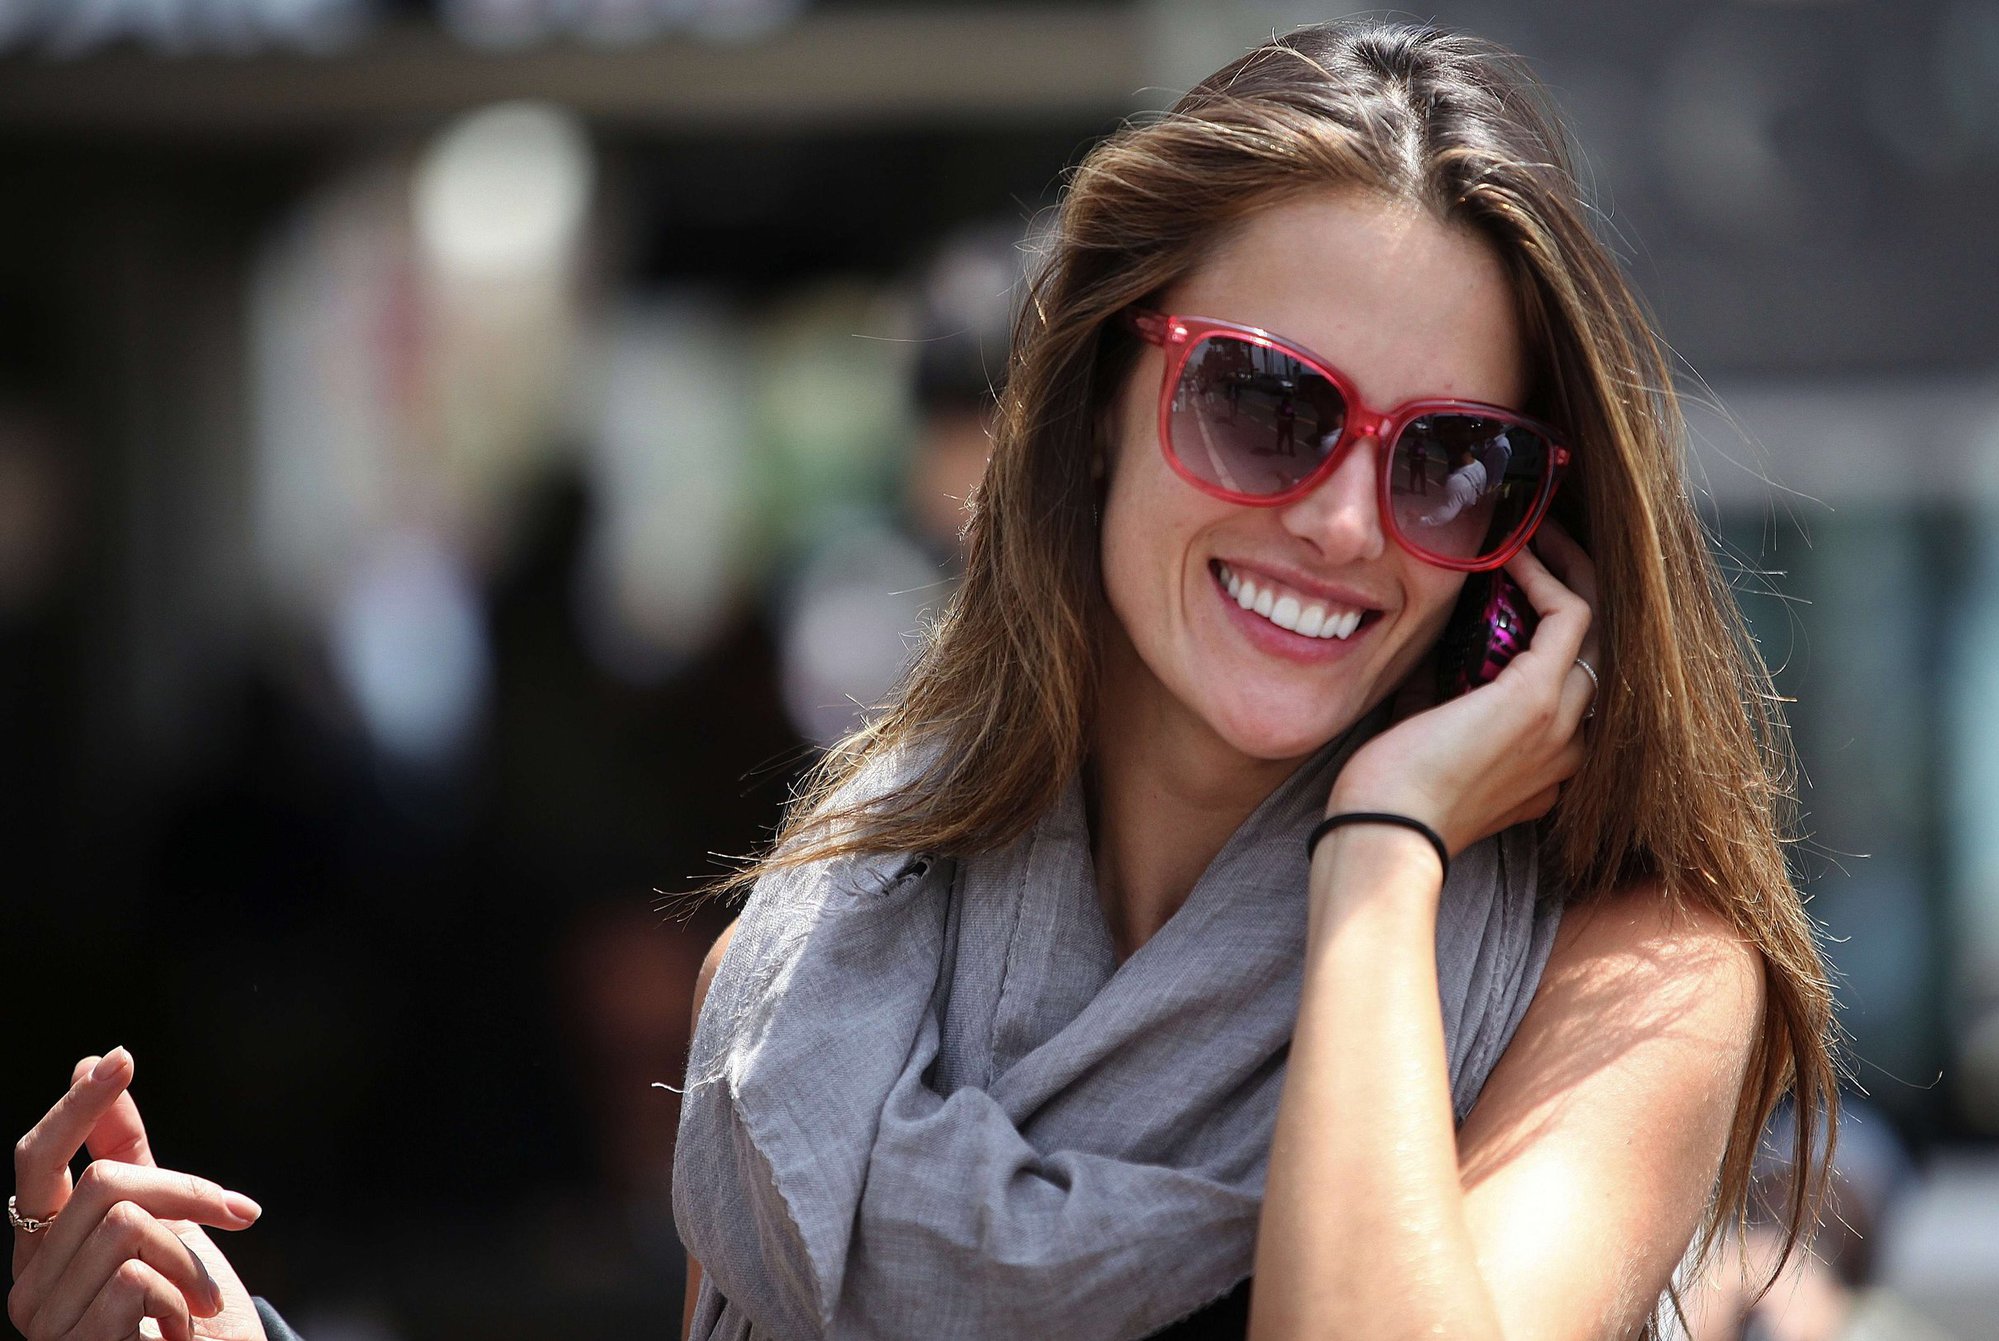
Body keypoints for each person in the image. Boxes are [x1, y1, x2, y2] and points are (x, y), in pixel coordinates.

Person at [10, 20, 1836, 1341]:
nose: (1348, 520)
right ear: (1102, 403)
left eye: (1450, 460)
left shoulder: (1633, 987)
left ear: (1534, 539)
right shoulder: (808, 980)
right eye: (1267, 403)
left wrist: (1383, 854)